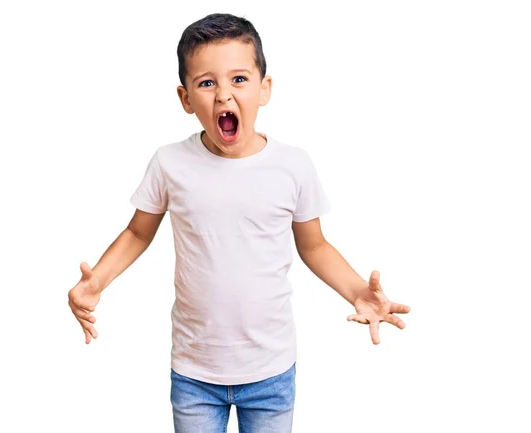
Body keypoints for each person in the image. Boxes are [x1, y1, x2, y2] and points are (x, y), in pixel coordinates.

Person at [67, 12, 411, 433]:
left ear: (265, 89)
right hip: (195, 372)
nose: (224, 95)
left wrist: (359, 291)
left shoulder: (292, 166)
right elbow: (139, 232)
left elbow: (315, 246)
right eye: (207, 82)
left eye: (239, 80)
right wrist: (96, 281)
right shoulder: (170, 163)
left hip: (270, 370)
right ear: (185, 98)